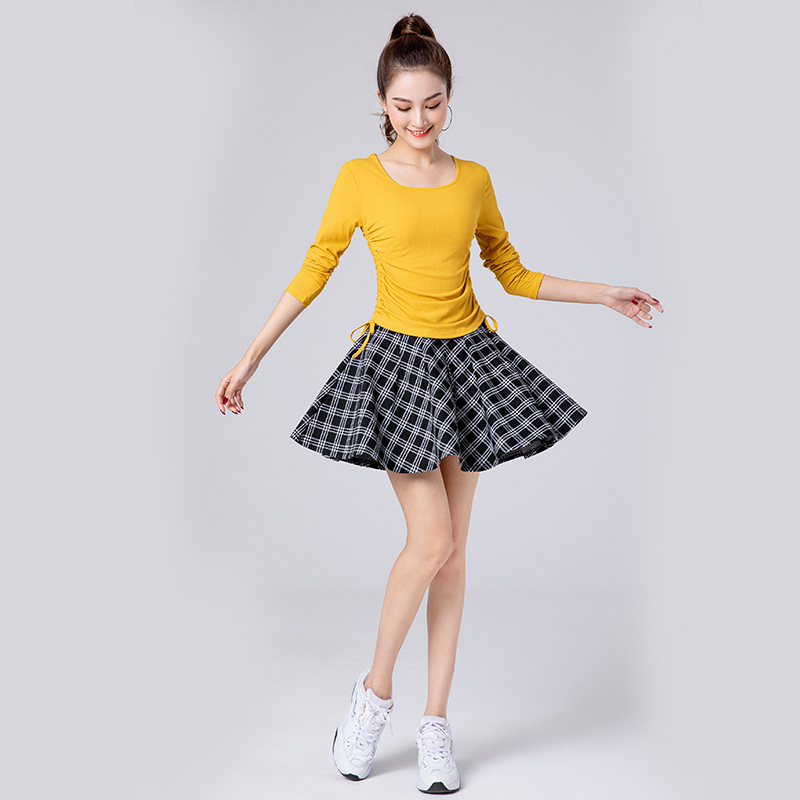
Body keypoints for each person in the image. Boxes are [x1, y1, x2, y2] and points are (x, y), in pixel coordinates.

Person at [215, 13, 663, 795]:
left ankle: (435, 725)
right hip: (399, 366)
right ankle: (372, 697)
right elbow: (316, 267)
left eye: (432, 104)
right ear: (381, 103)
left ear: (450, 100)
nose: (418, 120)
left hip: (469, 363)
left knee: (453, 553)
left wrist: (605, 294)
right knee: (430, 541)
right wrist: (250, 358)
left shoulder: (474, 178)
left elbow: (511, 273)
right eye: (403, 106)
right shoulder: (359, 177)